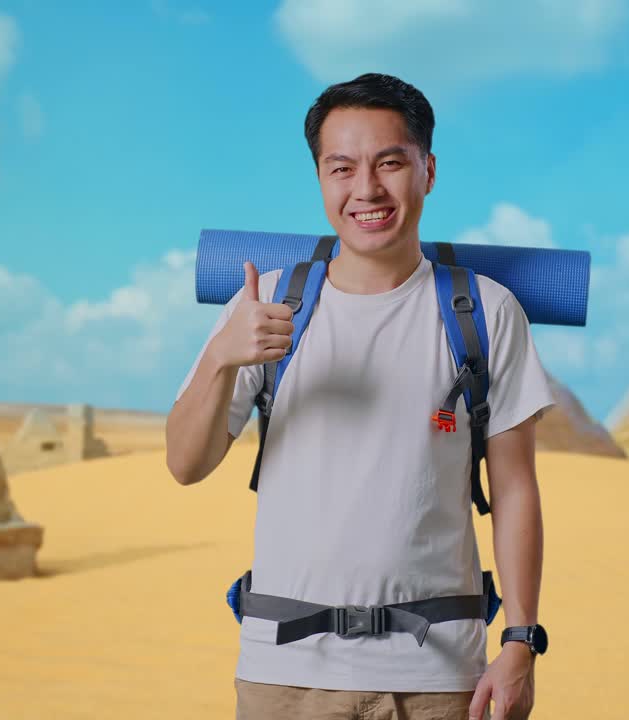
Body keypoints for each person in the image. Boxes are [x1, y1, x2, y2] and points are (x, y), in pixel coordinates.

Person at [167, 72, 555, 720]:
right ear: (320, 178)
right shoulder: (264, 304)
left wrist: (520, 641)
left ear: (428, 170)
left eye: (390, 163)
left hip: (438, 678)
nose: (367, 189)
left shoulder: (486, 312)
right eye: (341, 168)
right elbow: (185, 464)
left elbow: (515, 489)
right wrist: (220, 358)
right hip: (283, 675)